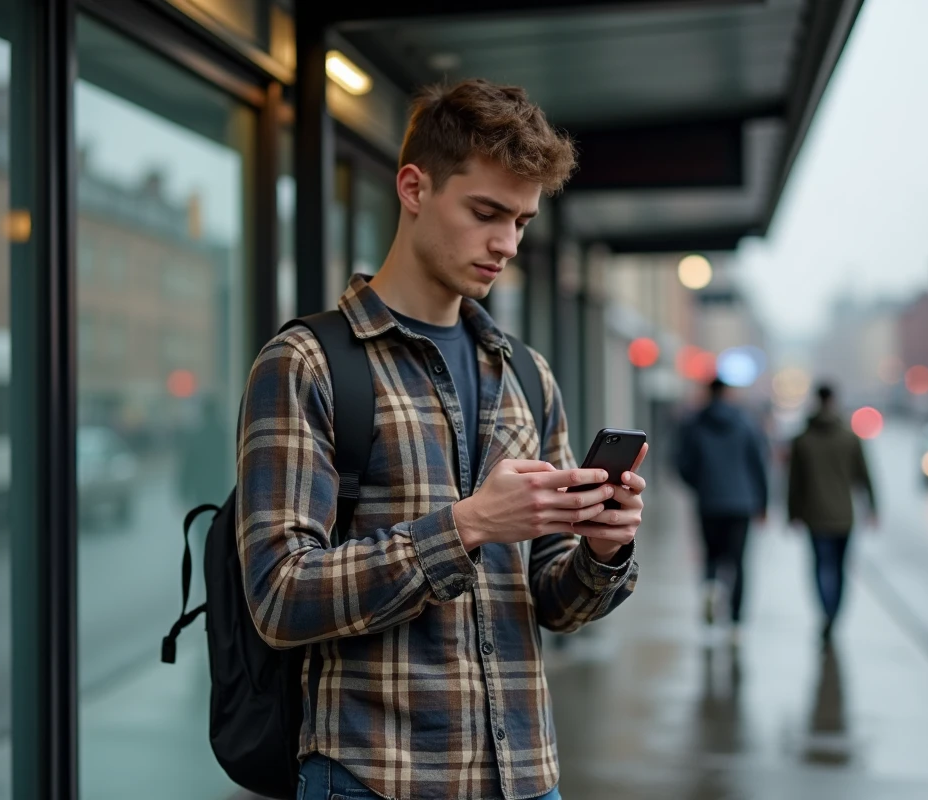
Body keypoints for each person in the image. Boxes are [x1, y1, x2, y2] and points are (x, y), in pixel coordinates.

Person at [237, 79, 648, 800]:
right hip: (374, 778)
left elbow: (556, 605)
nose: (507, 244)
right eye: (486, 213)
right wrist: (468, 526)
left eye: (521, 222)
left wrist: (603, 551)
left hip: (525, 777)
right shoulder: (307, 362)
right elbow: (278, 596)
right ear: (413, 187)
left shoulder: (527, 372)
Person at [676, 378, 768, 638]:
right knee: (738, 562)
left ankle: (710, 590)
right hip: (742, 502)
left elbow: (681, 462)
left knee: (711, 556)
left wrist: (700, 485)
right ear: (727, 393)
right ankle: (736, 622)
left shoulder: (694, 423)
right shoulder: (745, 422)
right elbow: (758, 463)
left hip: (709, 500)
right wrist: (763, 502)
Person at [787, 384, 877, 646]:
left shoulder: (803, 439)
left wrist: (792, 513)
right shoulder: (849, 437)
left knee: (820, 567)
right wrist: (872, 508)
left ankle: (825, 613)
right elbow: (865, 475)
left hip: (814, 516)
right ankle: (834, 615)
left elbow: (793, 482)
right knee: (839, 568)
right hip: (843, 516)